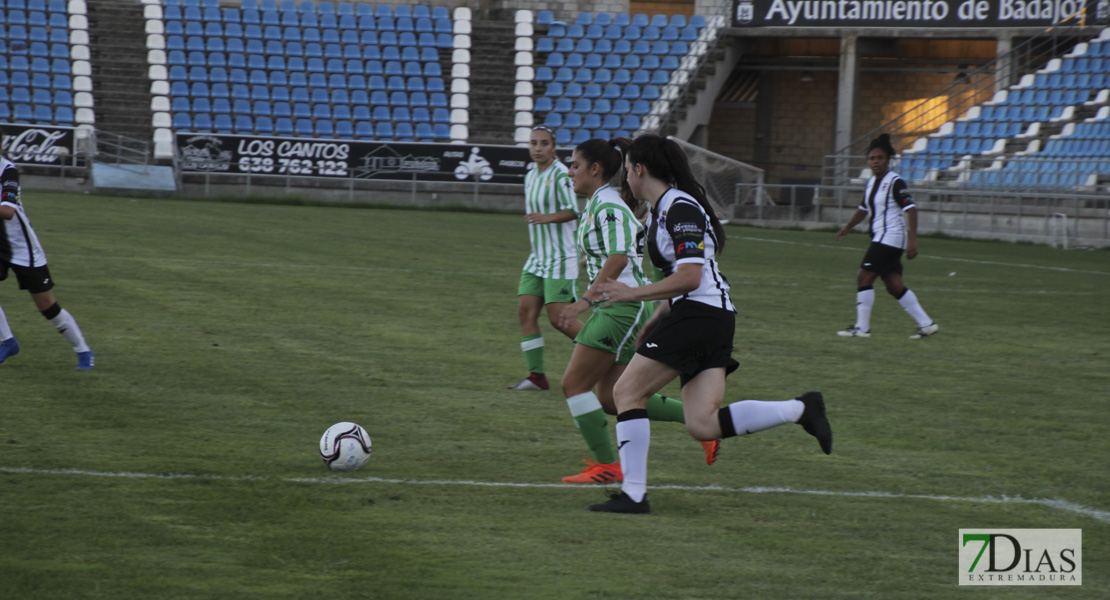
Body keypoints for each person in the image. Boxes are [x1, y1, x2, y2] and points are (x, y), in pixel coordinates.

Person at [591, 134, 832, 513]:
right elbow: (687, 277)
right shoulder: (664, 209)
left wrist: (631, 294)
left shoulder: (678, 207)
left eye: (627, 172)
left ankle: (634, 495)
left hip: (700, 317)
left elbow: (689, 277)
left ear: (639, 169)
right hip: (707, 317)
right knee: (702, 424)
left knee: (625, 394)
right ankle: (801, 409)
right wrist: (658, 315)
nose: (626, 181)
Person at [556, 138, 718, 485]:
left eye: (574, 165)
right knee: (612, 398)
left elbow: (620, 255)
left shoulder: (608, 205)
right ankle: (704, 426)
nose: (569, 171)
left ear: (594, 169)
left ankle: (607, 466)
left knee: (573, 385)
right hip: (619, 307)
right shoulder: (599, 203)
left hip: (621, 310)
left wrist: (585, 300)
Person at [835, 133, 938, 340]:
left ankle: (862, 328)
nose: (875, 162)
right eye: (872, 158)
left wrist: (913, 240)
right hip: (881, 237)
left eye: (879, 158)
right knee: (893, 285)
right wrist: (847, 227)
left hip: (890, 237)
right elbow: (864, 209)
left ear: (888, 160)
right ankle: (927, 324)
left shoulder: (895, 182)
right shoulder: (871, 183)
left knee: (863, 277)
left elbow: (911, 209)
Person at [0, 143, 94, 369]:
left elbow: (8, 211)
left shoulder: (7, 170)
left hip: (22, 249)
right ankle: (8, 341)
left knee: (47, 307)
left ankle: (83, 351)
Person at [507, 126, 582, 391]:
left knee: (559, 317)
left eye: (544, 143)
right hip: (537, 257)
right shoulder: (530, 175)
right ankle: (536, 377)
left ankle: (606, 352)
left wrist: (547, 218)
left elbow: (574, 210)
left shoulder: (562, 174)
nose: (537, 148)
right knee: (526, 311)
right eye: (533, 143)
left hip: (561, 256)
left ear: (553, 147)